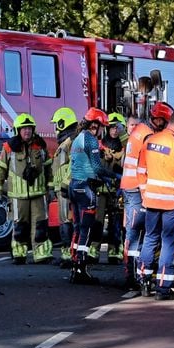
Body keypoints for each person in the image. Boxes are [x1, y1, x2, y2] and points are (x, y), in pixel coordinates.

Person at [137, 110, 174, 300]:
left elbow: (141, 170)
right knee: (168, 243)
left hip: (151, 201)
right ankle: (162, 288)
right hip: (173, 203)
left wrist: (145, 193)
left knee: (150, 239)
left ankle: (143, 280)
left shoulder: (150, 141)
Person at [119, 102, 173, 290]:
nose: (166, 126)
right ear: (158, 120)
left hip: (131, 186)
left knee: (135, 232)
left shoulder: (140, 130)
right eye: (165, 122)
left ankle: (133, 273)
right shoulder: (148, 135)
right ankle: (131, 275)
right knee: (136, 233)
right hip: (137, 187)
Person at [0, 113, 53, 265]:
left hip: (39, 194)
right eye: (23, 128)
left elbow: (49, 169)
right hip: (18, 195)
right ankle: (19, 254)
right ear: (17, 130)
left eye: (29, 128)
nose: (27, 131)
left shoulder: (41, 146)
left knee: (40, 225)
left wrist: (51, 188)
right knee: (20, 225)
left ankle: (41, 254)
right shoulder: (8, 148)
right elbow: (0, 170)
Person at [68, 108, 118, 284]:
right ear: (95, 125)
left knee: (76, 227)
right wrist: (113, 176)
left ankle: (74, 264)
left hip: (73, 186)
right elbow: (96, 168)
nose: (103, 130)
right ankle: (82, 267)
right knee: (86, 229)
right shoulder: (91, 140)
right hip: (86, 189)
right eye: (102, 126)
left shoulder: (78, 138)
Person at [88, 112, 125, 264]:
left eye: (117, 128)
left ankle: (114, 252)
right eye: (112, 127)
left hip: (117, 191)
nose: (114, 131)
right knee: (97, 221)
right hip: (101, 190)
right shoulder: (99, 145)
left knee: (116, 222)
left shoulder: (125, 148)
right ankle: (93, 250)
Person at [50, 107, 80, 269]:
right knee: (65, 221)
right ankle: (67, 254)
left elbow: (73, 165)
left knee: (67, 222)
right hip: (62, 189)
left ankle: (69, 255)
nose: (55, 128)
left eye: (57, 124)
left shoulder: (71, 142)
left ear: (63, 123)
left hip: (67, 189)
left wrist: (65, 185)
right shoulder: (66, 142)